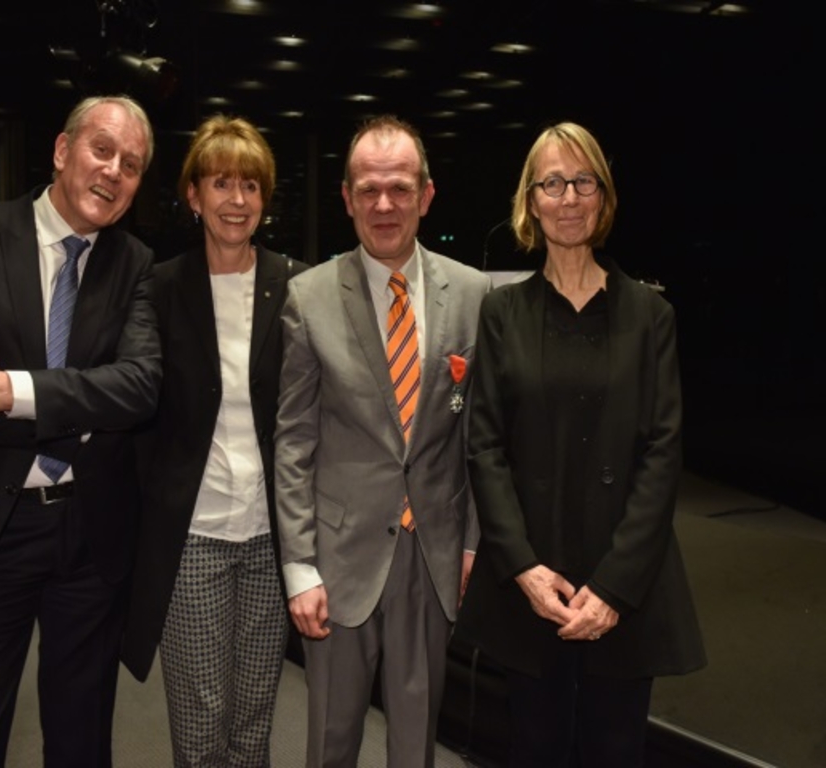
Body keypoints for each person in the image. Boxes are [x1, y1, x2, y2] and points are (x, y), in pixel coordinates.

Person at [0, 95, 162, 768]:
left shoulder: (133, 263)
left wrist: (6, 390)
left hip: (89, 536)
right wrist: (76, 402)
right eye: (102, 151)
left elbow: (137, 389)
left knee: (81, 746)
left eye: (131, 165)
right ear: (61, 150)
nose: (113, 172)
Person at [456, 121, 706, 767]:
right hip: (532, 580)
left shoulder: (652, 316)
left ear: (603, 196)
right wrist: (523, 571)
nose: (569, 197)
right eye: (553, 183)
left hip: (622, 584)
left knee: (615, 752)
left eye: (583, 182)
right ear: (530, 201)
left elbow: (662, 453)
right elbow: (484, 447)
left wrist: (615, 588)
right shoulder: (502, 312)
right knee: (532, 749)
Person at [275, 114, 490, 768]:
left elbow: (480, 435)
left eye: (399, 188)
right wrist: (300, 566)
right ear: (346, 198)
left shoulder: (475, 295)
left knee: (415, 742)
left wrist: (474, 540)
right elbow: (293, 443)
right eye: (368, 189)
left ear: (426, 195)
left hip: (433, 556)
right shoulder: (308, 298)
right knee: (332, 742)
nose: (384, 204)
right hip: (337, 562)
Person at [121, 115, 307, 767]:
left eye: (251, 186)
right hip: (193, 538)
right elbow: (135, 395)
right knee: (202, 734)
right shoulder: (161, 287)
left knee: (254, 727)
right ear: (193, 195)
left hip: (269, 541)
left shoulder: (296, 286)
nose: (237, 199)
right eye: (222, 182)